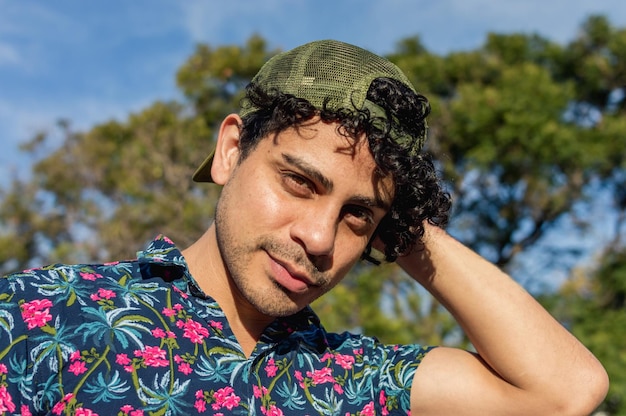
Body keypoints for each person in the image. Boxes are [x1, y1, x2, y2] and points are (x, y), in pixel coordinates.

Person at [0, 40, 608, 415]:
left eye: (357, 215)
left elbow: (564, 392)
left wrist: (403, 227)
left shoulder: (348, 379)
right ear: (231, 151)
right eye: (300, 182)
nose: (319, 238)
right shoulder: (39, 320)